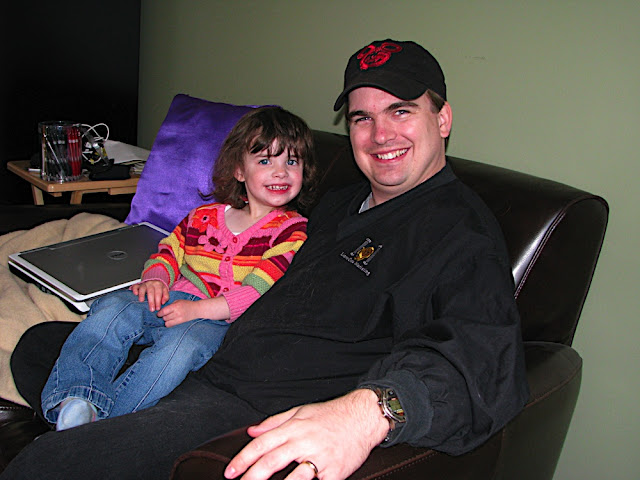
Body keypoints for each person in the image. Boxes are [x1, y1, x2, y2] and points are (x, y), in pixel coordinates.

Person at [2, 39, 528, 480]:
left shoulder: (459, 232)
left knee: (44, 466)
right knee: (38, 345)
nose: (380, 135)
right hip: (215, 346)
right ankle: (101, 414)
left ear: (443, 118)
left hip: (246, 401)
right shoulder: (342, 202)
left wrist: (367, 413)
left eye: (401, 111)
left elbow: (480, 356)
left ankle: (98, 430)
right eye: (363, 118)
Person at [39, 105, 317, 431]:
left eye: (292, 162)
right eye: (265, 161)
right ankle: (77, 397)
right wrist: (156, 279)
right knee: (112, 307)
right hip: (172, 298)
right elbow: (169, 251)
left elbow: (258, 288)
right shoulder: (204, 216)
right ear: (239, 170)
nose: (281, 172)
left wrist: (199, 310)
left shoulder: (292, 231)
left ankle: (96, 428)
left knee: (180, 349)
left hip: (219, 321)